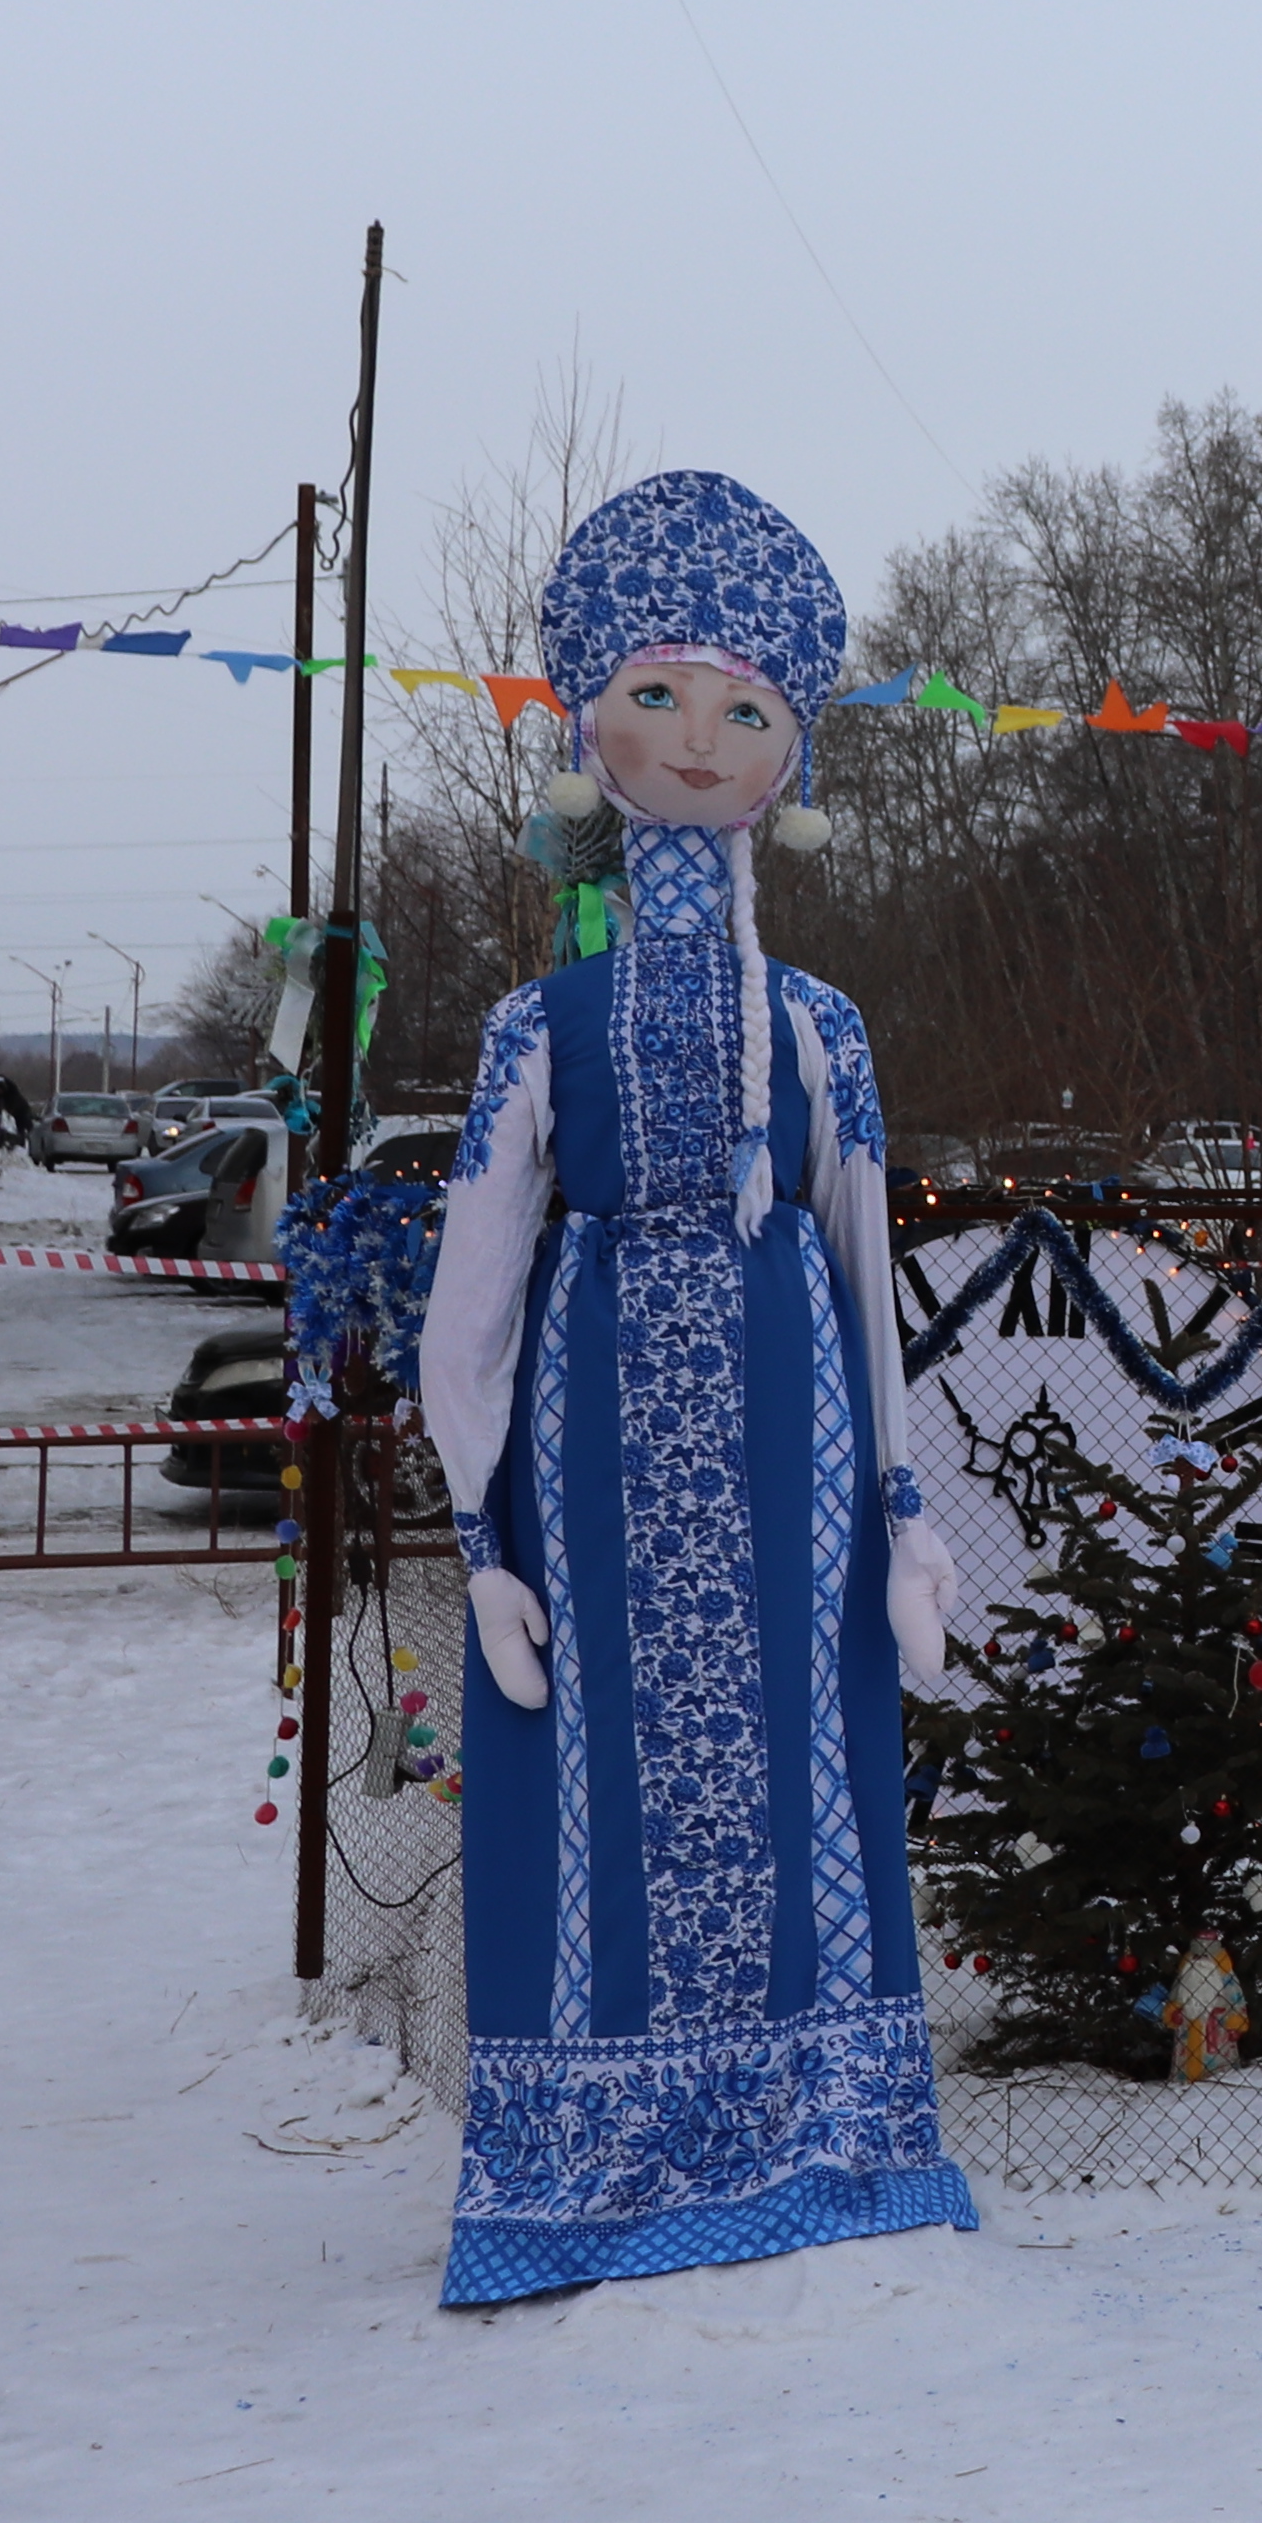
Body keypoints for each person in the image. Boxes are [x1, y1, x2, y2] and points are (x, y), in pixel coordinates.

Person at [409, 470, 973, 2303]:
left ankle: (829, 2135)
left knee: (808, 1762)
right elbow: (473, 1302)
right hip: (584, 1454)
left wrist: (900, 1517)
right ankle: (596, 2162)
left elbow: (863, 1264)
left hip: (796, 1444)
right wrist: (478, 1531)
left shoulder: (821, 1027)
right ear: (591, 724)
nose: (698, 738)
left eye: (743, 710)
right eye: (659, 696)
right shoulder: (535, 1028)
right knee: (597, 1778)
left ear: (790, 752)